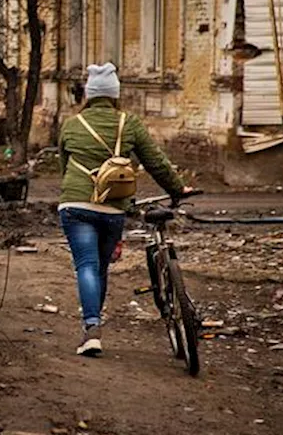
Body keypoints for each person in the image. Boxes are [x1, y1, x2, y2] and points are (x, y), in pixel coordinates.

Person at [58, 63, 188, 357]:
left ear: (89, 95)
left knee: (87, 266)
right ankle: (92, 326)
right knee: (100, 267)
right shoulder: (128, 124)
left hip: (75, 205)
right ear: (115, 94)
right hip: (113, 208)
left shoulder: (71, 124)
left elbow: (63, 167)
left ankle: (92, 328)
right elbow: (156, 162)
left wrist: (74, 190)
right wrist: (178, 190)